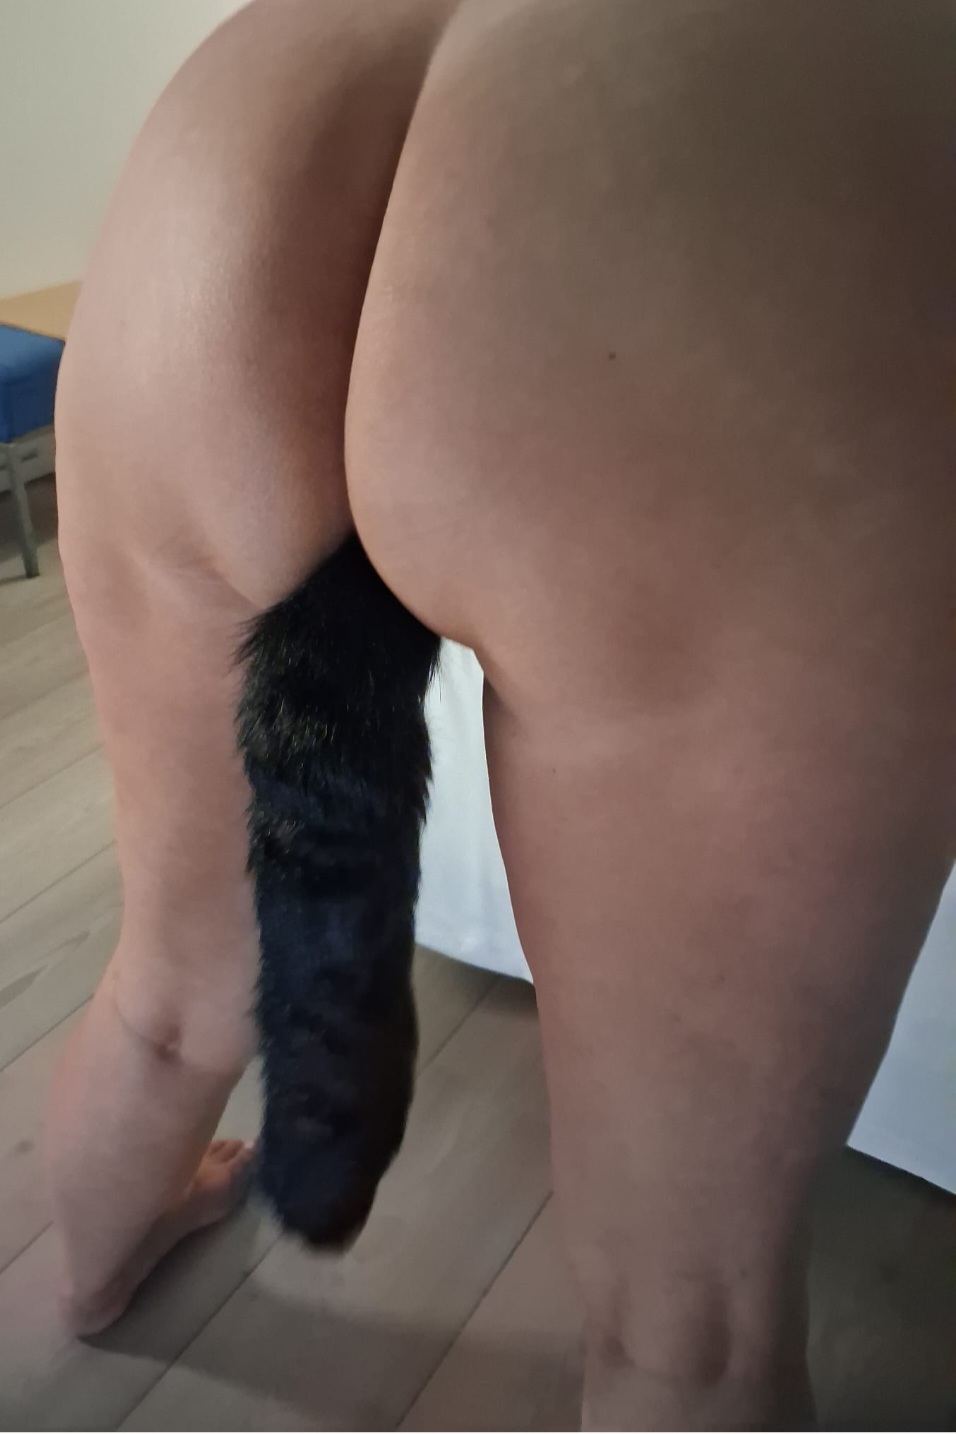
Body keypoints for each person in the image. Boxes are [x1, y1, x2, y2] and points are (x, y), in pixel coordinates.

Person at [45, 1, 954, 1427]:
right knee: (685, 1323)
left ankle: (93, 1275)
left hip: (238, 154)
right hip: (726, 181)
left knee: (162, 1002)